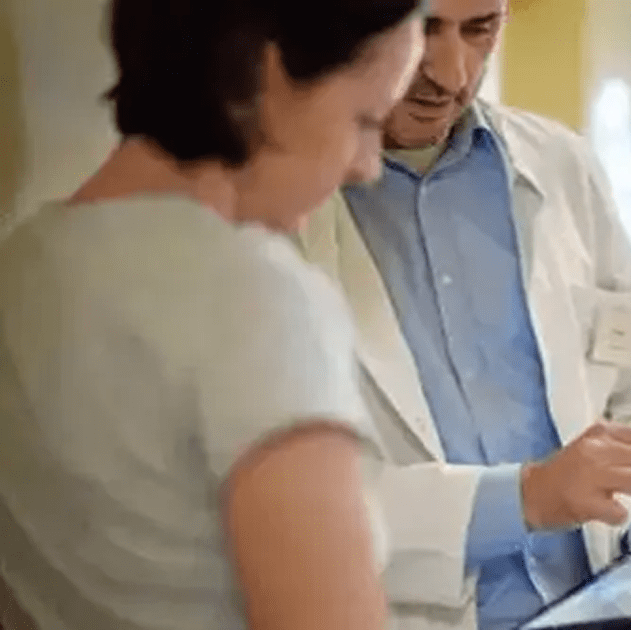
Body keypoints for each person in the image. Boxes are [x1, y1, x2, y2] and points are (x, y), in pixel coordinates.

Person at [297, 1, 631, 629]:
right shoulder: (282, 202)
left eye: (481, 29)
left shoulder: (563, 166)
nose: (451, 75)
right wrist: (525, 497)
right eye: (424, 29)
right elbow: (291, 502)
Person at [0, 1, 425, 629]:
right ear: (268, 73)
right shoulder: (259, 296)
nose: (366, 166)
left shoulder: (19, 270)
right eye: (365, 119)